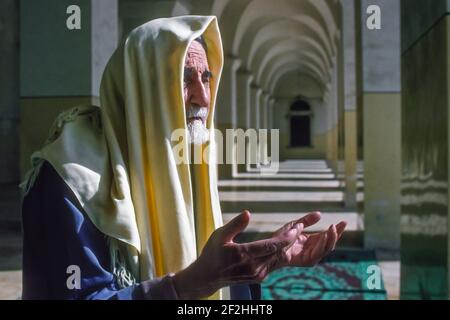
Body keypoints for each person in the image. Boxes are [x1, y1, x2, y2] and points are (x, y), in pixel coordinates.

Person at [20, 15, 346, 300]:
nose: (203, 97)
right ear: (142, 84)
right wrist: (189, 284)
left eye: (206, 78)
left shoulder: (177, 160)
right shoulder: (72, 178)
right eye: (185, 78)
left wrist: (253, 263)